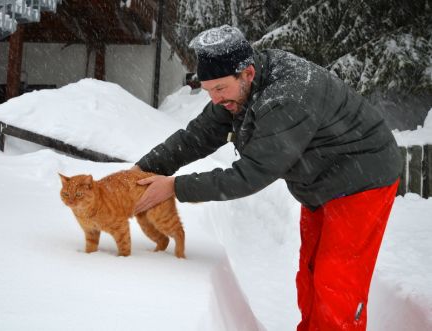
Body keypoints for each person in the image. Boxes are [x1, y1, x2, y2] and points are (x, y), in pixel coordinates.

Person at [131, 25, 402, 330]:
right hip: (320, 181)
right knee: (311, 270)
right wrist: (141, 170)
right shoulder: (241, 89)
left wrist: (175, 187)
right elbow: (198, 136)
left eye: (220, 89)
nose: (216, 99)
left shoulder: (287, 96)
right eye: (209, 91)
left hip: (361, 177)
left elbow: (251, 174)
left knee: (337, 279)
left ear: (246, 73)